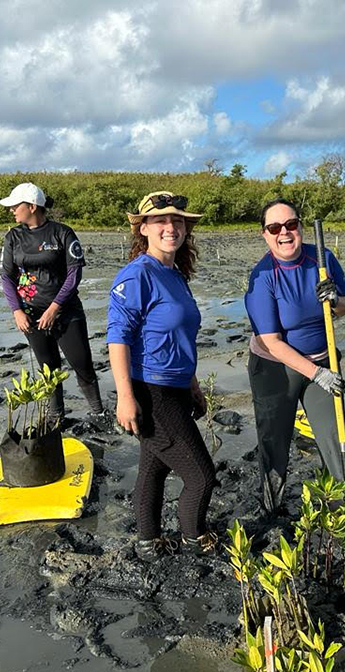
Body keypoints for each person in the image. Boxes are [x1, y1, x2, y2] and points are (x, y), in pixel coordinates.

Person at [106, 191, 217, 560]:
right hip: (149, 391)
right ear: (144, 228)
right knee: (201, 476)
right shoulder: (137, 274)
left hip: (176, 386)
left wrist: (193, 384)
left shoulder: (174, 274)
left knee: (153, 469)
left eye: (178, 221)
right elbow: (117, 337)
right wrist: (125, 396)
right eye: (161, 221)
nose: (171, 227)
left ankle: (148, 541)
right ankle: (193, 538)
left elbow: (177, 336)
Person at [244, 199, 345, 513]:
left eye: (291, 225)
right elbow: (271, 342)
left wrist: (335, 301)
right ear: (264, 234)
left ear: (300, 227)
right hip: (276, 369)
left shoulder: (322, 259)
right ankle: (272, 508)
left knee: (334, 437)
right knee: (275, 441)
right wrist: (316, 374)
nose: (284, 232)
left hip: (324, 362)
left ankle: (343, 509)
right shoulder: (263, 277)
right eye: (274, 227)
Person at [0, 182, 105, 423]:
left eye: (16, 205)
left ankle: (98, 412)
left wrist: (55, 308)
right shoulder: (13, 236)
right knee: (48, 369)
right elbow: (6, 276)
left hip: (66, 313)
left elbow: (74, 274)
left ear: (32, 206)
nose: (12, 210)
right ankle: (56, 416)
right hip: (31, 315)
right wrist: (17, 311)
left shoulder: (62, 233)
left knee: (83, 365)